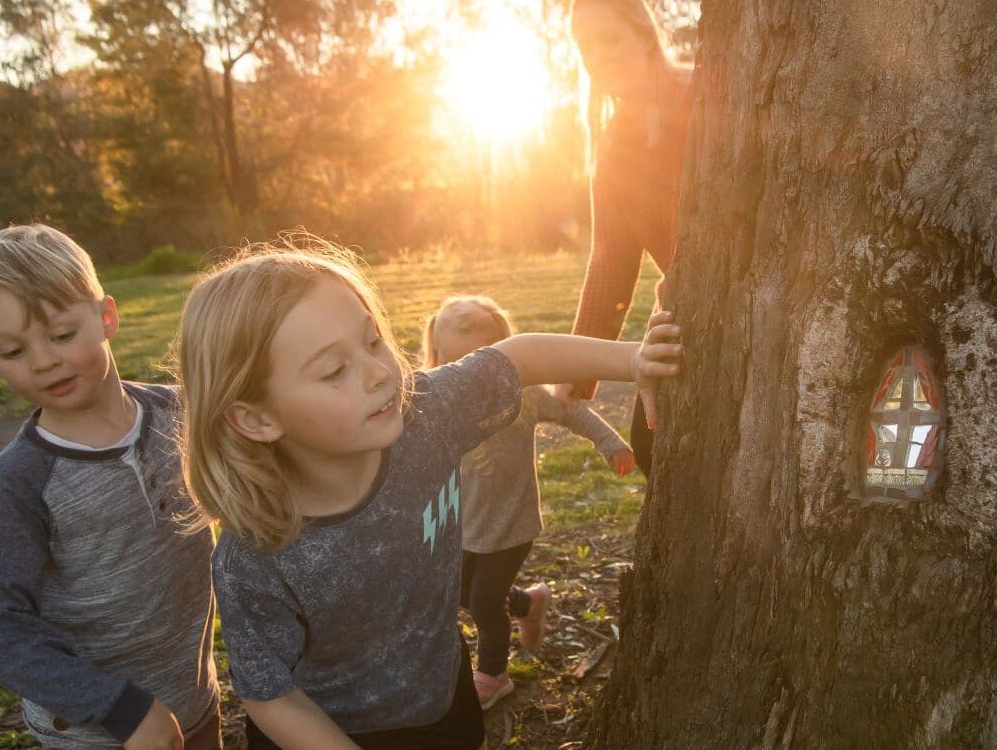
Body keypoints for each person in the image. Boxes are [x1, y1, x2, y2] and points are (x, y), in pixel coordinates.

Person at [177, 235, 680, 750]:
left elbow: (519, 357)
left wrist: (633, 359)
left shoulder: (425, 417)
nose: (379, 373)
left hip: (446, 690)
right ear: (256, 418)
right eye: (333, 370)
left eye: (373, 341)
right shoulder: (256, 553)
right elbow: (269, 693)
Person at [0, 224, 220, 750]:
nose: (43, 360)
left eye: (61, 335)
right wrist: (120, 709)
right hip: (96, 729)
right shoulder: (19, 483)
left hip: (193, 699)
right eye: (13, 352)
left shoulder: (182, 411)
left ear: (107, 317)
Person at [420, 294, 635, 709]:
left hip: (512, 524)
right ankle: (527, 603)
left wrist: (610, 443)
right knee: (459, 591)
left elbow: (573, 413)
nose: (470, 381)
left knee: (484, 604)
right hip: (464, 523)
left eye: (482, 366)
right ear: (441, 360)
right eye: (457, 367)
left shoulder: (525, 394)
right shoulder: (434, 397)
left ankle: (493, 675)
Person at [553, 0, 693, 473]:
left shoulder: (704, 94)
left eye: (609, 39)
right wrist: (578, 369)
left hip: (766, 298)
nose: (598, 56)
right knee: (651, 446)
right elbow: (611, 259)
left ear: (644, 33)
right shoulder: (614, 148)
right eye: (585, 46)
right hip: (686, 311)